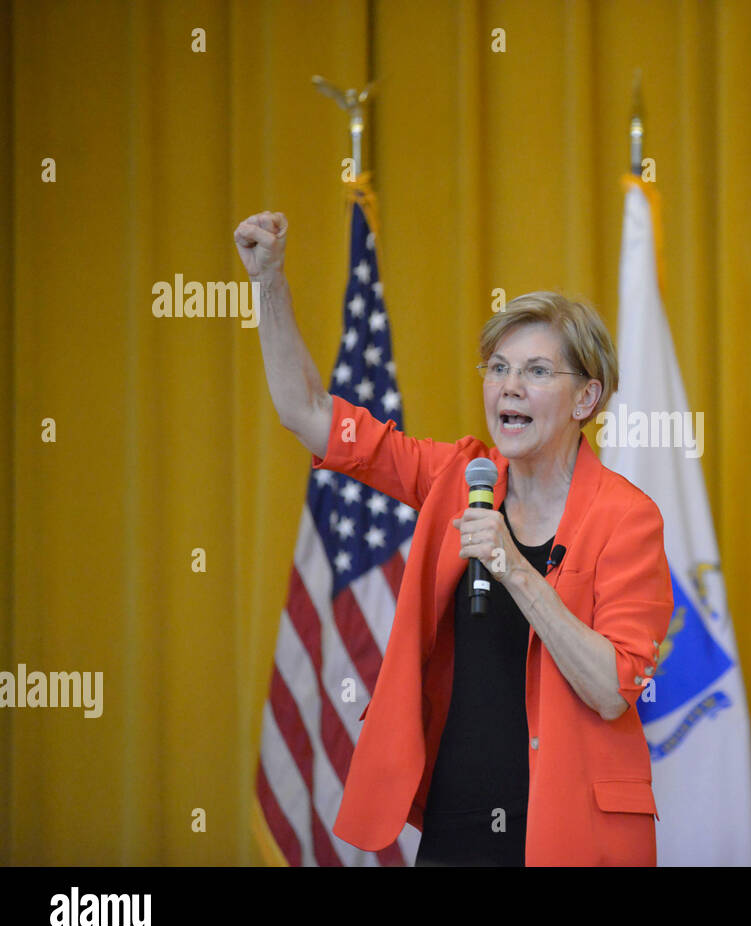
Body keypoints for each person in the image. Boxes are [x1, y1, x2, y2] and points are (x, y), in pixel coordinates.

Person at [235, 210, 672, 866]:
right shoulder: (456, 478)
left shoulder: (627, 518)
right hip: (456, 823)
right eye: (498, 368)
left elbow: (612, 687)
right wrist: (267, 282)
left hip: (573, 830)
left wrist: (512, 565)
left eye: (535, 371)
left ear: (586, 399)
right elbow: (308, 413)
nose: (509, 387)